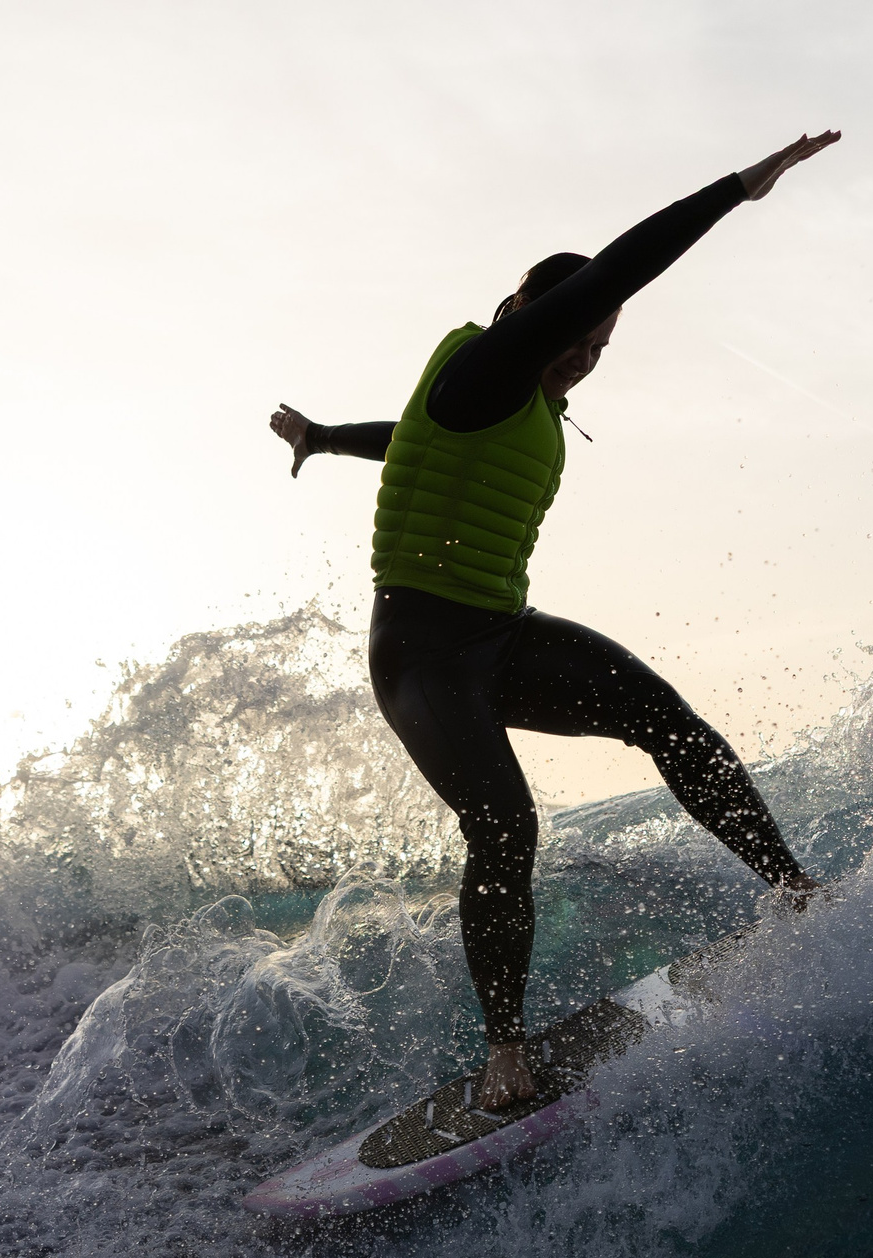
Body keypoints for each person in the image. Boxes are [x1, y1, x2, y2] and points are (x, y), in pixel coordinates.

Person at [269, 131, 839, 1111]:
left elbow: (405, 438)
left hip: (499, 635)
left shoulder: (494, 402)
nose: (582, 356)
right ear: (527, 314)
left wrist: (324, 437)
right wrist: (741, 189)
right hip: (421, 651)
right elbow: (621, 264)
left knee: (664, 718)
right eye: (574, 334)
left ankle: (793, 888)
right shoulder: (489, 362)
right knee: (503, 825)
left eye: (598, 348)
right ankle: (503, 1054)